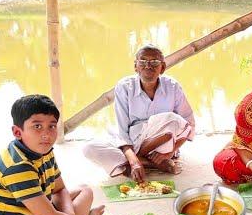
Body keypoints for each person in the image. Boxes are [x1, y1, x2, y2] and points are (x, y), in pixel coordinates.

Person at [83, 44, 195, 183]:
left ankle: (132, 163)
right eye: (143, 61)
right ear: (136, 66)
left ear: (163, 67)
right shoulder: (124, 87)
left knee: (172, 119)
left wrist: (170, 152)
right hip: (134, 142)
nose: (148, 66)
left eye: (154, 62)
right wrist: (134, 161)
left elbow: (189, 123)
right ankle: (151, 163)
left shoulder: (173, 86)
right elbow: (122, 131)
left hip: (161, 147)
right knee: (90, 148)